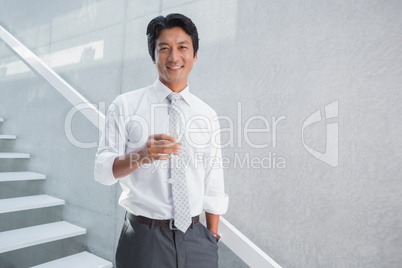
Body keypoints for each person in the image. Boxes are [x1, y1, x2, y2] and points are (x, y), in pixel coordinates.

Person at [94, 13, 229, 268]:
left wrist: (211, 235)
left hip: (197, 240)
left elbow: (214, 178)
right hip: (144, 240)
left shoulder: (207, 115)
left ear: (195, 55)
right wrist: (141, 155)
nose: (174, 57)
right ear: (153, 55)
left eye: (182, 48)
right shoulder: (126, 105)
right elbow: (102, 170)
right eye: (164, 48)